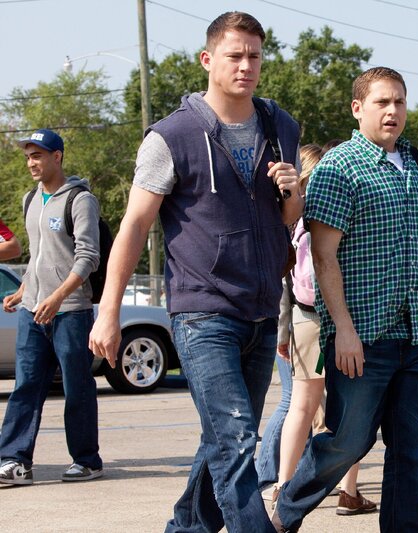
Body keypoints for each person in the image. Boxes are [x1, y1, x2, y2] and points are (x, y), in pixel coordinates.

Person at [88, 11, 302, 533]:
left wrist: (293, 192)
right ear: (208, 60)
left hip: (261, 310)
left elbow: (286, 220)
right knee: (236, 440)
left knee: (221, 443)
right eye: (235, 55)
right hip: (202, 313)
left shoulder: (281, 127)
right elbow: (134, 227)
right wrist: (108, 313)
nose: (246, 66)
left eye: (254, 56)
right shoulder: (172, 136)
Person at [272, 66, 418, 533]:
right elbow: (323, 257)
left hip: (414, 336)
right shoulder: (338, 168)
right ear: (358, 109)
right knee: (347, 442)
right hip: (362, 338)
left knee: (411, 452)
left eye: (399, 101)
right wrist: (344, 330)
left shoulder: (414, 166)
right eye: (382, 102)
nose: (393, 110)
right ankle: (282, 513)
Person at [258, 144, 376, 517]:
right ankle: (348, 490)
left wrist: (283, 331)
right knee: (351, 408)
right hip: (340, 316)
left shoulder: (291, 217)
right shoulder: (334, 210)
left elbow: (285, 280)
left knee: (301, 405)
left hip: (304, 315)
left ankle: (282, 484)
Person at [0, 128, 103, 485]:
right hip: (32, 311)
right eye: (28, 156)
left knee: (77, 387)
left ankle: (87, 460)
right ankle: (14, 461)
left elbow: (88, 257)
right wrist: (23, 291)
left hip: (70, 311)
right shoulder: (30, 199)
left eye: (38, 156)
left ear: (56, 157)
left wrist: (57, 296)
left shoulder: (80, 199)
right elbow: (38, 257)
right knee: (25, 386)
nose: (31, 162)